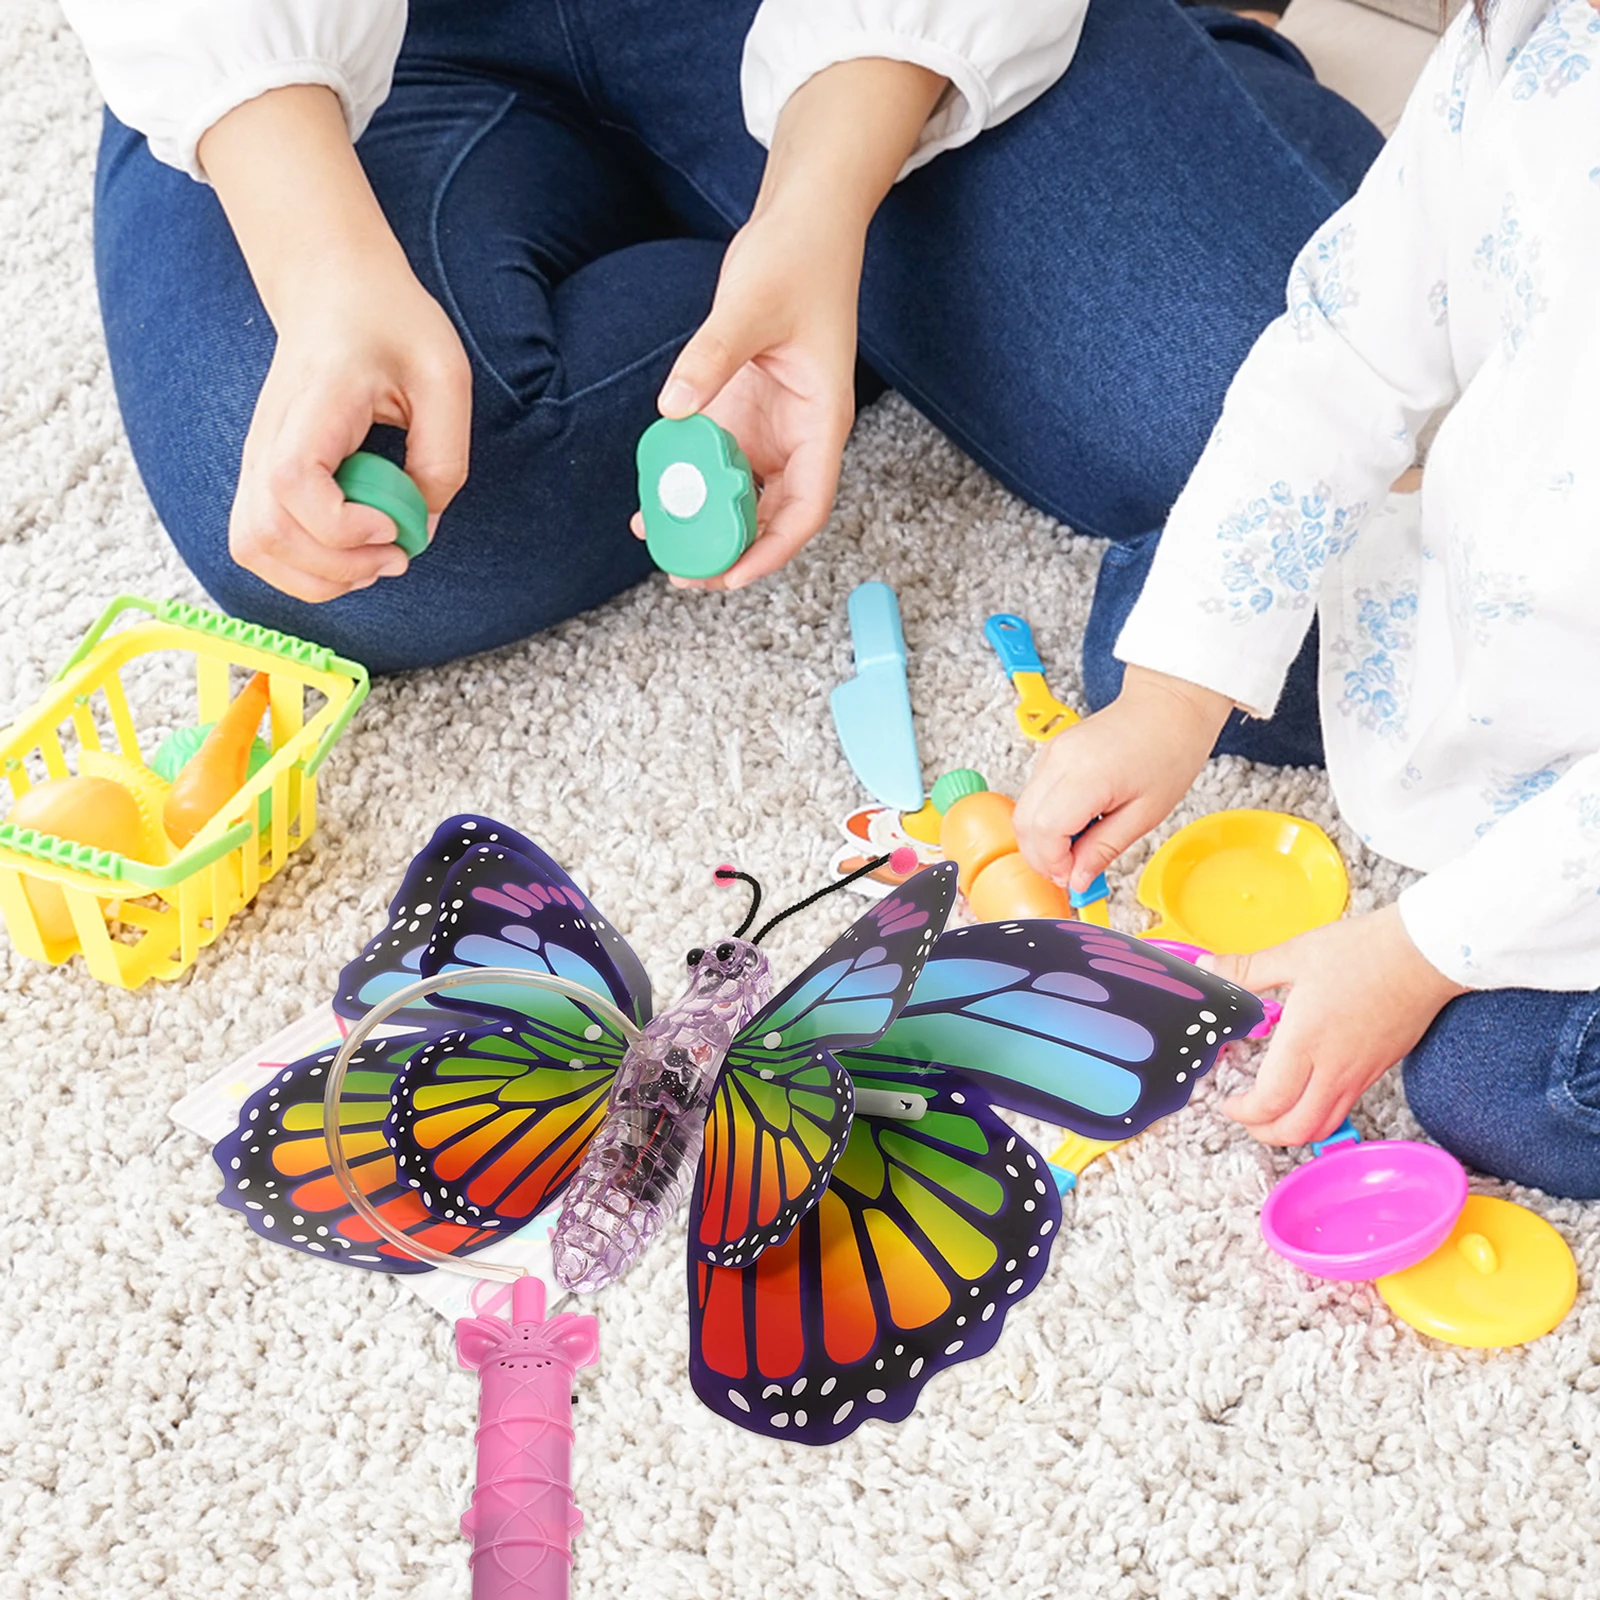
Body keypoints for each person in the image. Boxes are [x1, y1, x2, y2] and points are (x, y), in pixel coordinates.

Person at [66, 0, 1381, 675]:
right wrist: (326, 269)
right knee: (360, 515)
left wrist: (821, 199)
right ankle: (864, 284)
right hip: (384, 49)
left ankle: (838, 244)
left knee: (1296, 421)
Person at [1015, 0, 1600, 1199]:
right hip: (1506, 626)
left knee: (1496, 1085)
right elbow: (1344, 350)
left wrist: (1411, 952)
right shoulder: (1525, 39)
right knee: (1147, 623)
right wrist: (1176, 695)